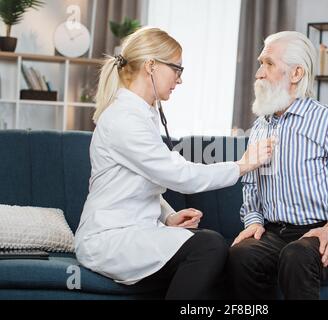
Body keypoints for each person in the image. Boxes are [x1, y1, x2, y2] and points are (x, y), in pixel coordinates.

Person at [74, 27, 274, 300]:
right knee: (209, 246)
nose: (179, 79)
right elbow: (178, 174)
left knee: (210, 250)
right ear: (151, 66)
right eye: (177, 69)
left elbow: (141, 179)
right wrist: (242, 165)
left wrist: (167, 215)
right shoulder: (124, 119)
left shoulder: (142, 114)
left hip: (133, 232)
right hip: (108, 238)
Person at [227, 31, 328, 300]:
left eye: (269, 64)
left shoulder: (327, 120)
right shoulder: (261, 126)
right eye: (260, 63)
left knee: (297, 256)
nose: (259, 73)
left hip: (323, 231)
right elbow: (250, 183)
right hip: (274, 232)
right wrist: (253, 220)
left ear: (296, 74)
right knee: (241, 255)